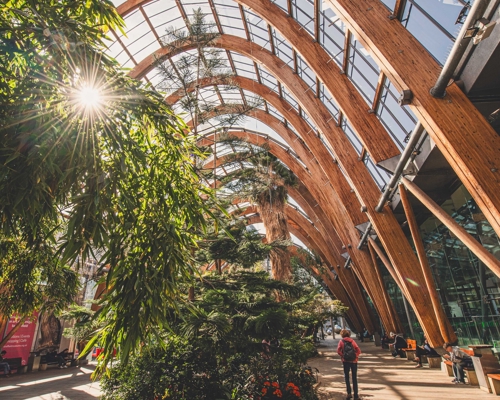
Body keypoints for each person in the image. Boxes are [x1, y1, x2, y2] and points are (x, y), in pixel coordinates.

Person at [337, 329, 362, 400]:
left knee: (347, 377)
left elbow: (338, 351)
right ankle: (356, 396)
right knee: (354, 378)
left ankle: (349, 393)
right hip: (354, 362)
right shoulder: (352, 341)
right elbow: (358, 350)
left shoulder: (341, 342)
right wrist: (355, 356)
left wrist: (343, 355)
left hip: (346, 361)